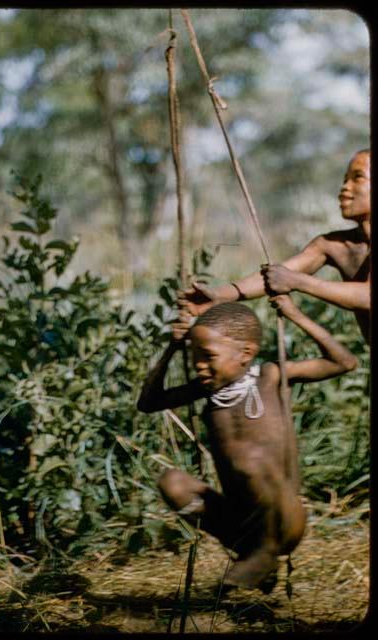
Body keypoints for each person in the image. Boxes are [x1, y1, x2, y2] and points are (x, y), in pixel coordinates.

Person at [137, 295, 357, 592]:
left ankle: (265, 553)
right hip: (241, 523)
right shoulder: (206, 390)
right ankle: (252, 554)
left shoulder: (269, 376)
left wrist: (294, 314)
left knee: (250, 461)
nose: (199, 366)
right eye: (194, 358)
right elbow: (149, 403)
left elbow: (343, 362)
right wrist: (172, 348)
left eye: (209, 356)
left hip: (283, 520)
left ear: (246, 353)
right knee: (172, 483)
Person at [179, 149, 370, 343]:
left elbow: (368, 296)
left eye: (358, 178)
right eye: (345, 179)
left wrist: (299, 282)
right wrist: (219, 296)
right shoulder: (333, 244)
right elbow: (278, 275)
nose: (345, 187)